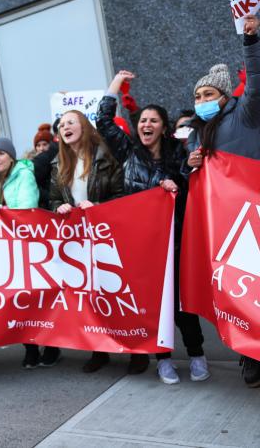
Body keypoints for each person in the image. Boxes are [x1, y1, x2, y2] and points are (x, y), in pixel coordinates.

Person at [99, 70, 209, 384]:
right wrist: (116, 84)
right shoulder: (128, 151)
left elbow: (189, 187)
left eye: (153, 121)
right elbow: (103, 121)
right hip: (143, 245)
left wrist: (180, 178)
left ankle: (197, 355)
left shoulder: (177, 153)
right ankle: (163, 360)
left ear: (163, 127)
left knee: (182, 305)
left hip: (175, 240)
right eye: (143, 120)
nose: (146, 124)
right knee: (155, 305)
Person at [186, 14, 260, 388]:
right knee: (236, 291)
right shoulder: (196, 134)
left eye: (208, 94)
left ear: (224, 95)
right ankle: (250, 356)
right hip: (226, 230)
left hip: (254, 214)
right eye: (197, 96)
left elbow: (257, 82)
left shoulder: (245, 114)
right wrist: (189, 165)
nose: (202, 101)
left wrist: (251, 42)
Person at [0, 138, 61, 369]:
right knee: (16, 300)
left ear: (11, 157)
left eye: (1, 153)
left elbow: (26, 207)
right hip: (2, 249)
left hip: (28, 245)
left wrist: (1, 211)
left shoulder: (24, 175)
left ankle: (51, 346)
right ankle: (30, 347)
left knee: (37, 297)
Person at [49, 110, 125, 373]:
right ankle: (99, 349)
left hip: (107, 234)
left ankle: (135, 352)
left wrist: (98, 207)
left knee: (116, 294)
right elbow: (53, 198)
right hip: (79, 239)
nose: (65, 127)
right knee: (91, 295)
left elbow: (121, 196)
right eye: (61, 125)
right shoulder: (58, 164)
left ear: (84, 126)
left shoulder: (106, 158)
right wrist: (58, 206)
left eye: (71, 122)